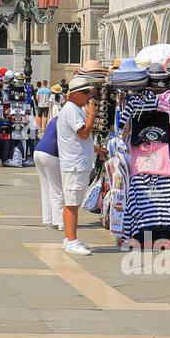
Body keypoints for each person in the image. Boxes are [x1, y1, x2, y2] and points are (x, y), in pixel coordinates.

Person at [56, 74, 98, 256]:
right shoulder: (72, 109)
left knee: (72, 202)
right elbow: (83, 133)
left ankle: (70, 238)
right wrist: (92, 115)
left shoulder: (74, 108)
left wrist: (97, 150)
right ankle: (71, 240)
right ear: (74, 94)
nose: (89, 97)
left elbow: (79, 139)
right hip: (74, 164)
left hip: (76, 163)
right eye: (85, 93)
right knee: (72, 203)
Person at [33, 114, 63, 229]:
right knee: (57, 189)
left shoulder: (55, 119)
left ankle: (48, 221)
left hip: (39, 151)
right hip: (50, 154)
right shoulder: (65, 121)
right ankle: (60, 222)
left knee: (46, 188)